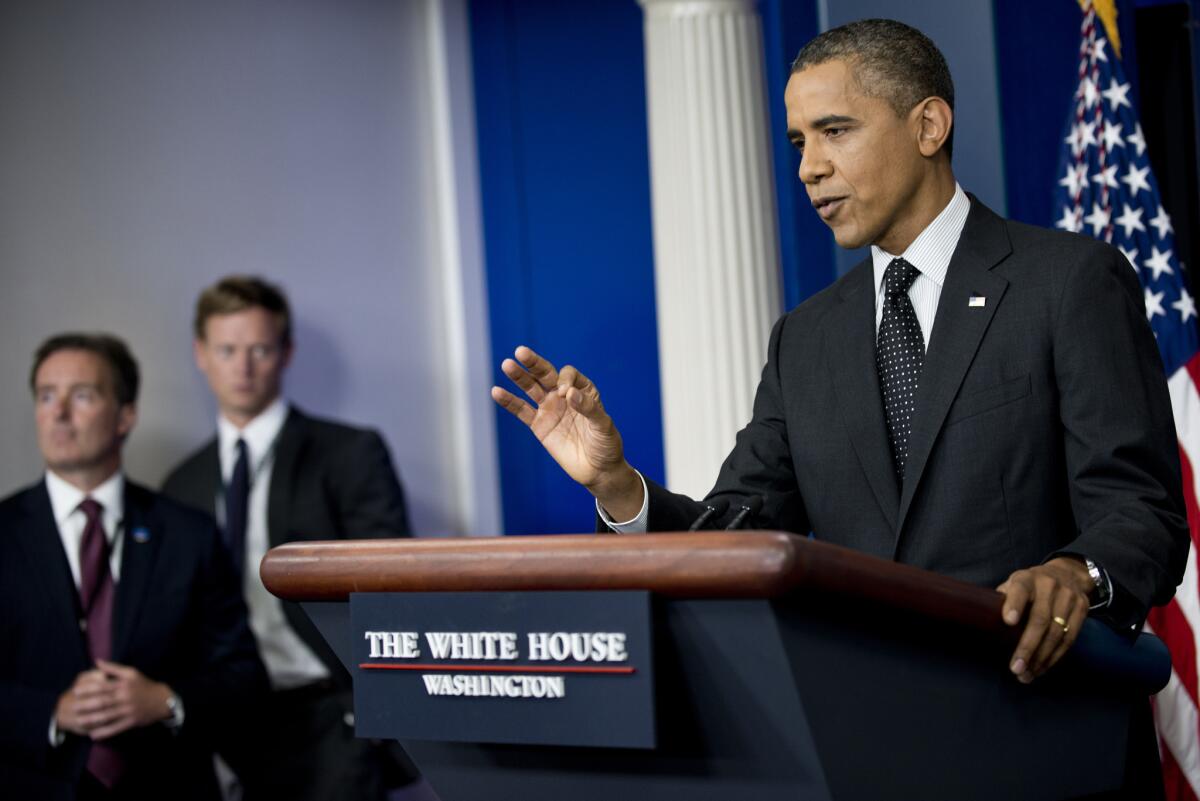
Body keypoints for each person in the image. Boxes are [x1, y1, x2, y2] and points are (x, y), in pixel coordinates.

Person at [492, 17, 1187, 788]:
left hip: (1047, 745)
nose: (810, 168)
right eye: (798, 143)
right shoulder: (806, 336)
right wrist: (618, 486)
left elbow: (1142, 509)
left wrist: (1075, 572)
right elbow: (742, 534)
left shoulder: (1068, 282)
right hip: (871, 754)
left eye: (835, 131)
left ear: (928, 124)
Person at [161, 275, 412, 801]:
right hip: (224, 724)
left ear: (286, 352)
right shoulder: (183, 482)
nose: (243, 366)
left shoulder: (349, 453)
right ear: (201, 354)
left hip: (329, 717)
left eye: (259, 349)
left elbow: (394, 588)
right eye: (227, 349)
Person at [0, 333, 266, 800]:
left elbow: (243, 677)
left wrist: (166, 701)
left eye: (81, 395)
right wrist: (51, 711)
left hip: (166, 784)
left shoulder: (189, 534)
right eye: (46, 396)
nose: (58, 413)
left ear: (125, 416)